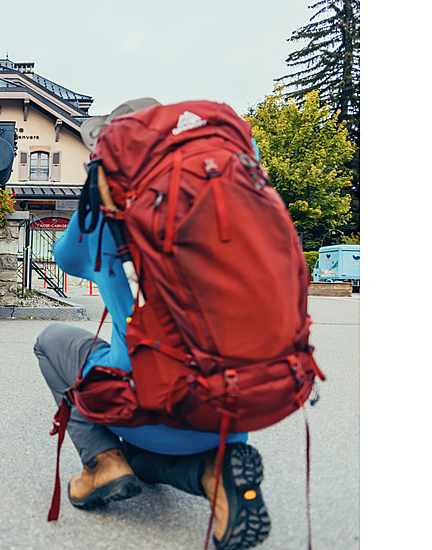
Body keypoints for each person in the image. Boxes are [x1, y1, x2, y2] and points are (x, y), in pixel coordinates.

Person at [35, 99, 270, 550]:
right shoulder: (233, 208)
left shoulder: (102, 215)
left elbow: (66, 257)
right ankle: (215, 473)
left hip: (141, 405)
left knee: (52, 341)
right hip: (228, 415)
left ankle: (103, 460)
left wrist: (96, 190)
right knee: (145, 461)